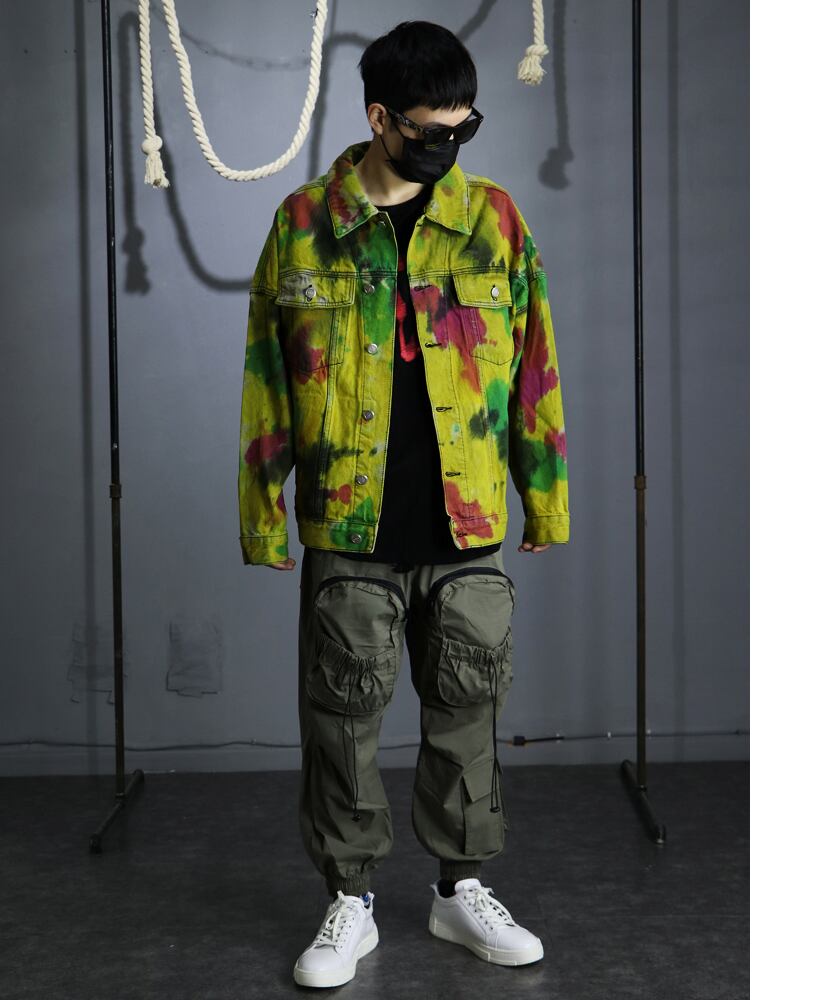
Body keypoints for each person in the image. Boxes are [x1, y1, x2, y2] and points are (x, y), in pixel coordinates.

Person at [237, 19, 570, 989]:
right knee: (342, 726)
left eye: (465, 127)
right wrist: (261, 512)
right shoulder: (305, 223)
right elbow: (265, 377)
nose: (448, 144)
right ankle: (350, 900)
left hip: (466, 522)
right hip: (351, 523)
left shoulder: (493, 219)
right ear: (381, 118)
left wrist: (544, 500)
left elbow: (538, 365)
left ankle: (461, 889)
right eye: (431, 129)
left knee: (468, 713)